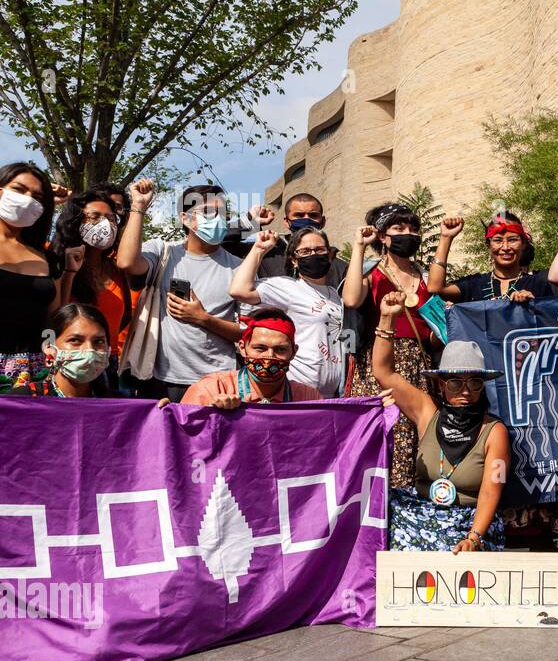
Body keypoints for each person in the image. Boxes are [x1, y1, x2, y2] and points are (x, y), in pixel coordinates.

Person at [372, 291, 510, 552]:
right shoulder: (427, 412)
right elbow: (383, 372)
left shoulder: (494, 431)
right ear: (441, 384)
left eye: (475, 383)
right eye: (456, 383)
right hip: (419, 518)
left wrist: (473, 537)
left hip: (470, 524)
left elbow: (492, 491)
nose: (466, 391)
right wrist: (387, 319)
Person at [115, 183, 243, 402]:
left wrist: (203, 318)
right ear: (185, 218)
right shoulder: (163, 252)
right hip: (163, 382)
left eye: (223, 213)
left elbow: (249, 334)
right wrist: (138, 206)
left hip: (221, 383)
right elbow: (126, 262)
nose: (218, 218)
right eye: (208, 212)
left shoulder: (240, 268)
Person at [343, 202, 438, 487]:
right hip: (380, 364)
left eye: (412, 228)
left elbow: (430, 330)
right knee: (386, 436)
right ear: (382, 236)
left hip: (420, 366)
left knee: (418, 440)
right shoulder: (372, 273)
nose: (407, 234)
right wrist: (359, 247)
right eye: (398, 228)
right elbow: (350, 299)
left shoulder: (424, 277)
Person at [230, 228, 345, 397]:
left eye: (319, 249)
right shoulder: (288, 287)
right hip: (297, 392)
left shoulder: (335, 294)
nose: (313, 254)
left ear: (329, 255)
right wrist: (259, 249)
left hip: (331, 395)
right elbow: (239, 290)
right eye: (305, 251)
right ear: (294, 261)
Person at [0, 161, 65, 385]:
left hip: (32, 373)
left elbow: (52, 320)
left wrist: (51, 359)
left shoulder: (47, 257)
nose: (27, 198)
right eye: (19, 189)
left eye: (37, 197)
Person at [179, 308, 322, 407]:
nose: (269, 357)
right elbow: (179, 435)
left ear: (294, 352)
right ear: (242, 348)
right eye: (260, 348)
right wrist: (211, 413)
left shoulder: (309, 399)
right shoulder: (212, 389)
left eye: (280, 349)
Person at [60, 187, 138, 365]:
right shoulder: (57, 260)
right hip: (68, 361)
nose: (104, 224)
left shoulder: (119, 270)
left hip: (107, 364)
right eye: (95, 217)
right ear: (76, 221)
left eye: (111, 218)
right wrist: (69, 273)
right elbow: (55, 314)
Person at [429, 212, 556, 303]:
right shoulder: (475, 284)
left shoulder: (538, 284)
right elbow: (435, 288)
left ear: (523, 244)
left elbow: (552, 323)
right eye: (498, 240)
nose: (505, 247)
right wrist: (446, 237)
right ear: (488, 245)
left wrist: (535, 305)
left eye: (512, 240)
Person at [4, 303, 113, 398]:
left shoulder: (117, 406)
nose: (89, 350)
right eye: (75, 340)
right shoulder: (23, 402)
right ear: (49, 348)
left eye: (98, 341)